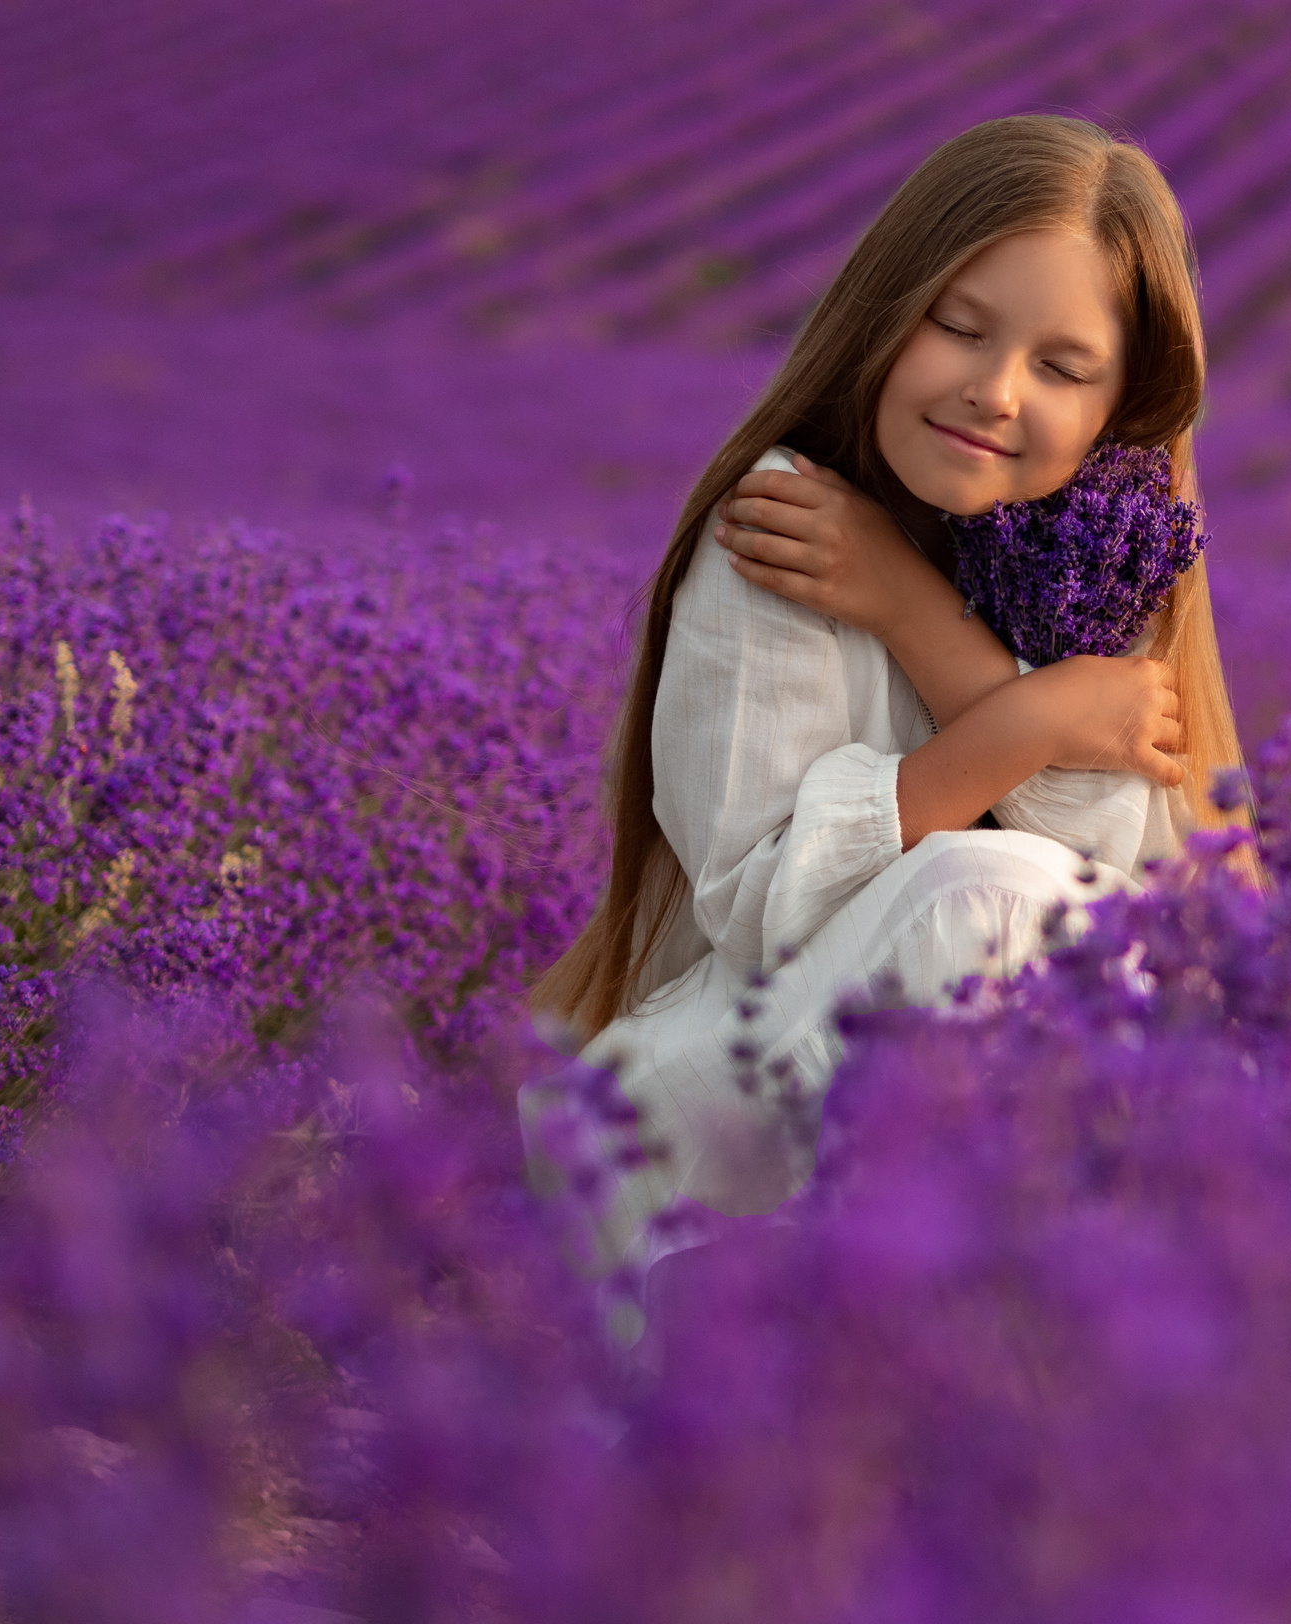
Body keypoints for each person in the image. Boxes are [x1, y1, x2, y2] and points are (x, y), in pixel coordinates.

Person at [530, 114, 1247, 1262]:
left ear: (1118, 414)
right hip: (705, 1126)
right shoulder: (783, 531)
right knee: (989, 891)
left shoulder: (1102, 554)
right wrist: (1023, 718)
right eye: (957, 328)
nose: (997, 390)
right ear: (881, 314)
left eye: (1061, 368)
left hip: (970, 1141)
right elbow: (757, 906)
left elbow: (1132, 881)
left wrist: (920, 617)